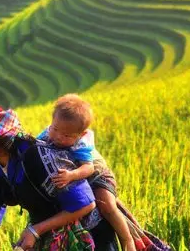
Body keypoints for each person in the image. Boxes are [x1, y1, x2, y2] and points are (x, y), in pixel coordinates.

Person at [0, 101, 118, 251]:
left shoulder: (37, 156)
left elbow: (85, 204)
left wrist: (36, 230)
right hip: (50, 237)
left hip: (90, 236)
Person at [37, 94, 172, 251]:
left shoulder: (81, 144)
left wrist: (71, 176)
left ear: (80, 134)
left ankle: (127, 239)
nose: (58, 137)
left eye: (66, 135)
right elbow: (36, 145)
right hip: (80, 177)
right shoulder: (49, 132)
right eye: (55, 129)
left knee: (107, 205)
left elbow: (89, 168)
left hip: (98, 177)